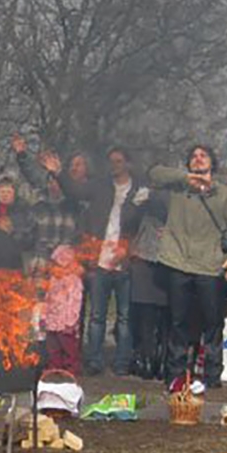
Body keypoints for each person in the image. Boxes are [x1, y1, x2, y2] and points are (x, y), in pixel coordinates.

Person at [38, 146, 147, 376]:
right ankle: (94, 360)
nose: (114, 165)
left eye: (119, 161)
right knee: (96, 316)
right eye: (111, 161)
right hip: (99, 263)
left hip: (124, 264)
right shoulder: (100, 187)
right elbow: (75, 191)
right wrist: (58, 173)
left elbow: (143, 227)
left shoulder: (140, 192)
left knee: (125, 317)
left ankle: (121, 362)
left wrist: (126, 251)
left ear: (128, 163)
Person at [148, 144, 227, 388]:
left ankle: (212, 376)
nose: (198, 159)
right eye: (193, 156)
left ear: (212, 163)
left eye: (203, 155)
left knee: (212, 324)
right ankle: (176, 375)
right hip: (178, 261)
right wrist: (185, 177)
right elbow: (154, 174)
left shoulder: (224, 194)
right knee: (178, 322)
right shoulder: (178, 186)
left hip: (210, 265)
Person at [11, 135, 80, 270]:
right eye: (50, 182)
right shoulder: (39, 207)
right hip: (41, 264)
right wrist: (21, 155)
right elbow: (32, 175)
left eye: (57, 182)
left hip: (66, 265)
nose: (54, 185)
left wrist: (58, 172)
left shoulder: (74, 204)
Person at [127, 190, 171, 380]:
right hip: (144, 267)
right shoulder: (142, 210)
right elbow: (128, 224)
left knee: (164, 322)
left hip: (167, 267)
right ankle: (146, 360)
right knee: (146, 319)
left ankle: (160, 362)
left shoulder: (175, 210)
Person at [0, 173, 37, 272]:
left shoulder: (23, 210)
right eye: (2, 192)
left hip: (13, 260)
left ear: (14, 193)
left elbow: (30, 239)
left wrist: (12, 229)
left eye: (8, 192)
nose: (5, 195)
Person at [43, 244, 84, 374]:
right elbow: (48, 298)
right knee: (53, 348)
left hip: (66, 322)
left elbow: (75, 303)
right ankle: (55, 368)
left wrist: (71, 321)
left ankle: (71, 370)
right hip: (52, 320)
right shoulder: (54, 279)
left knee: (69, 348)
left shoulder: (74, 281)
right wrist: (44, 315)